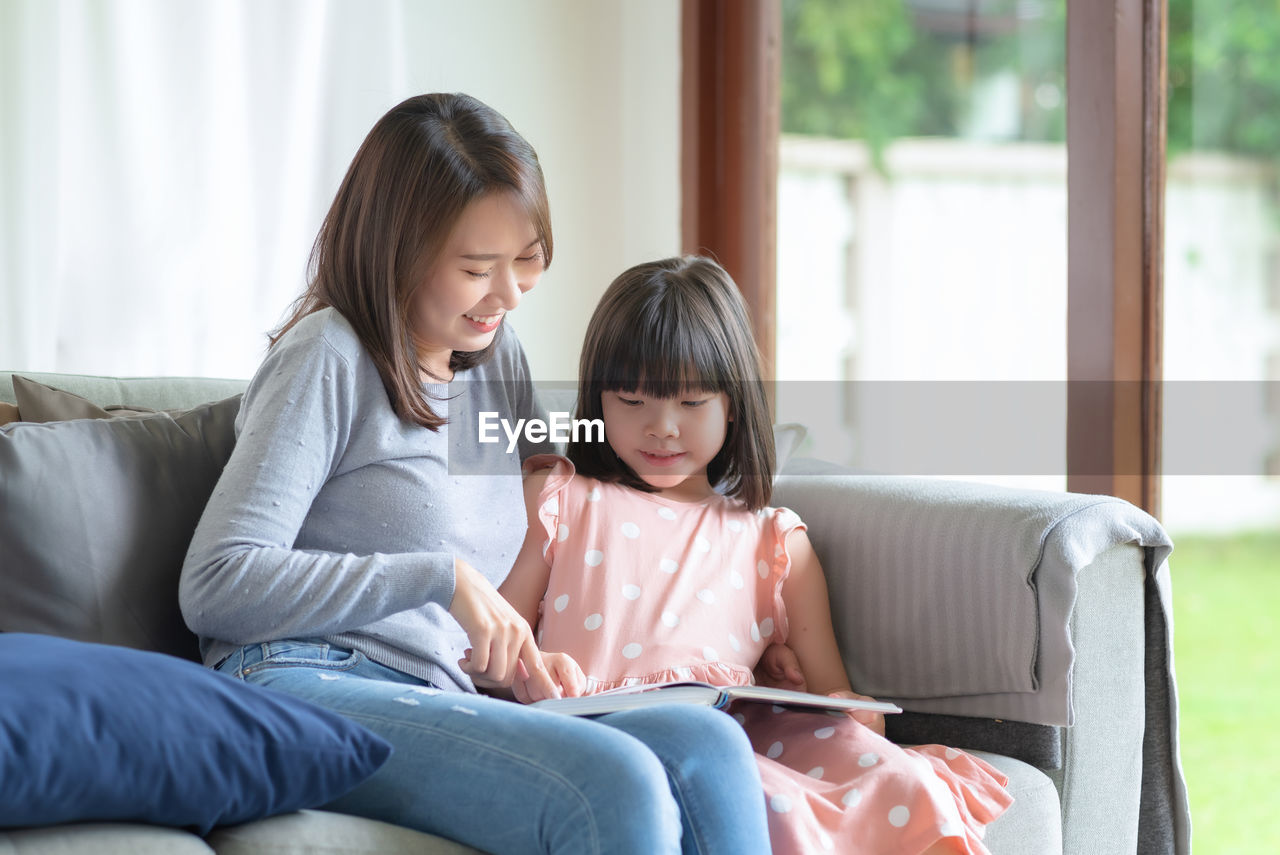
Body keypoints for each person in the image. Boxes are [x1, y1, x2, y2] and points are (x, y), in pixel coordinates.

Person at [178, 94, 772, 855]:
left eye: (526, 260)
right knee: (616, 777)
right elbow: (216, 582)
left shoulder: (497, 360)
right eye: (475, 269)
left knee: (706, 743)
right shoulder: (328, 356)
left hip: (440, 690)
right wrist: (440, 578)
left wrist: (522, 657)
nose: (509, 294)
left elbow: (558, 501)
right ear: (398, 249)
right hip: (302, 678)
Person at [499, 256, 1014, 855]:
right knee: (744, 793)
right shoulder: (561, 499)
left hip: (737, 739)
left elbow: (838, 704)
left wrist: (851, 708)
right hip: (601, 737)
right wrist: (533, 668)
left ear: (733, 404)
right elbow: (492, 647)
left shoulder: (776, 542)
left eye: (691, 404)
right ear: (598, 401)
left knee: (894, 778)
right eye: (631, 400)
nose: (661, 427)